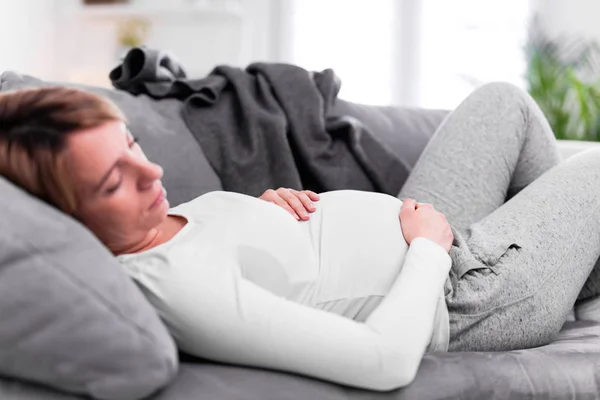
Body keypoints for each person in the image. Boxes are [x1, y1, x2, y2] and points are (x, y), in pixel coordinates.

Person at [1, 82, 599, 391]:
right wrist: (424, 248)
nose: (151, 172)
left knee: (504, 104)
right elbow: (385, 362)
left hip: (432, 235)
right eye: (113, 181)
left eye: (131, 144)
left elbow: (243, 251)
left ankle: (569, 262)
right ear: (66, 217)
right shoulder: (178, 289)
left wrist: (250, 212)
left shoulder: (148, 224)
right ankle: (552, 276)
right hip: (467, 297)